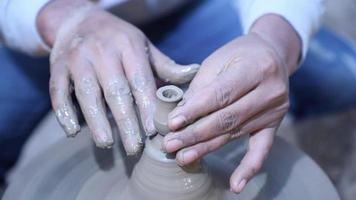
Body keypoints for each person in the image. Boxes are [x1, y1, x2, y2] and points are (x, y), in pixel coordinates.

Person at [0, 0, 326, 193]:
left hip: (189, 9)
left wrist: (275, 41)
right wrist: (62, 19)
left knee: (338, 79)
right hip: (60, 18)